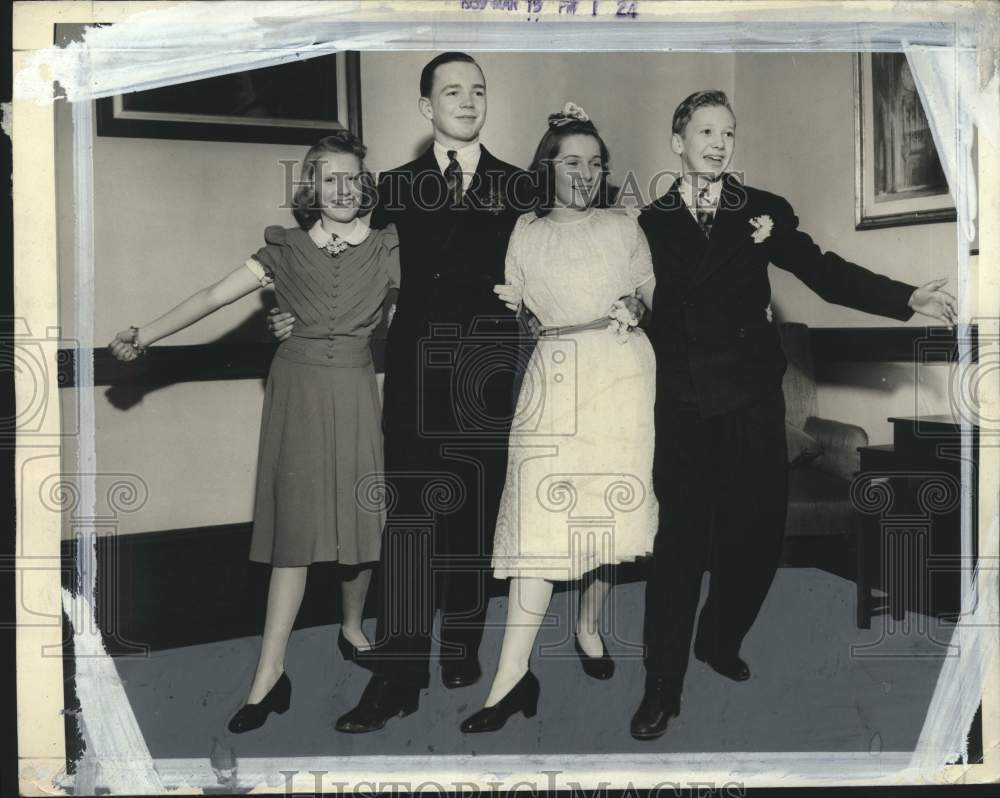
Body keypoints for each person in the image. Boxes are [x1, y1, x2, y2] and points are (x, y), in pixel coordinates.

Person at [631, 89, 958, 740]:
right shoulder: (647, 222)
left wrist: (907, 298)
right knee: (679, 544)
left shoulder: (764, 210)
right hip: (685, 400)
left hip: (753, 396)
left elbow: (824, 272)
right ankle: (661, 684)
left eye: (728, 132)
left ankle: (719, 638)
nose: (718, 143)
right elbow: (635, 297)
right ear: (678, 142)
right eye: (705, 131)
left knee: (757, 534)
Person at [271, 52, 535, 733]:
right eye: (452, 92)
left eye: (478, 90)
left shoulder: (518, 185)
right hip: (417, 376)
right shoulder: (391, 187)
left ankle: (462, 644)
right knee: (412, 523)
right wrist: (294, 310)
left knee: (475, 515)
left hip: (488, 375)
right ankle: (399, 676)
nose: (468, 101)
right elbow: (336, 251)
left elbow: (558, 252)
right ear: (427, 107)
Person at [108, 130, 399, 734]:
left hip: (353, 387)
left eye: (353, 178)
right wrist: (145, 334)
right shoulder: (284, 250)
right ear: (311, 187)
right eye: (331, 179)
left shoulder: (389, 247)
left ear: (366, 186)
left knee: (359, 519)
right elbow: (214, 295)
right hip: (297, 392)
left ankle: (351, 627)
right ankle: (269, 674)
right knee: (295, 529)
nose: (344, 189)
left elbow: (407, 316)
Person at [459, 104, 658, 733]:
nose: (585, 173)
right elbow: (516, 308)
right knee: (538, 518)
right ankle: (510, 677)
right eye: (572, 161)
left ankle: (589, 625)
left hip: (620, 371)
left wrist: (638, 306)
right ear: (547, 167)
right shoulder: (524, 231)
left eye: (595, 163)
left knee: (603, 511)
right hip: (553, 373)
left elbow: (654, 294)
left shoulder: (624, 225)